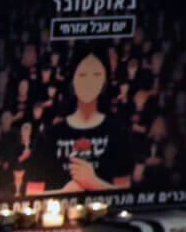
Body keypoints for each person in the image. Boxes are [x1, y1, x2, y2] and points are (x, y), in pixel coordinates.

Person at [28, 50, 135, 194]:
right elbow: (31, 193)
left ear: (104, 81)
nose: (89, 82)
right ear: (73, 80)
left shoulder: (117, 132)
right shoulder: (49, 135)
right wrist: (65, 194)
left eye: (96, 75)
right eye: (82, 75)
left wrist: (94, 183)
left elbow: (127, 195)